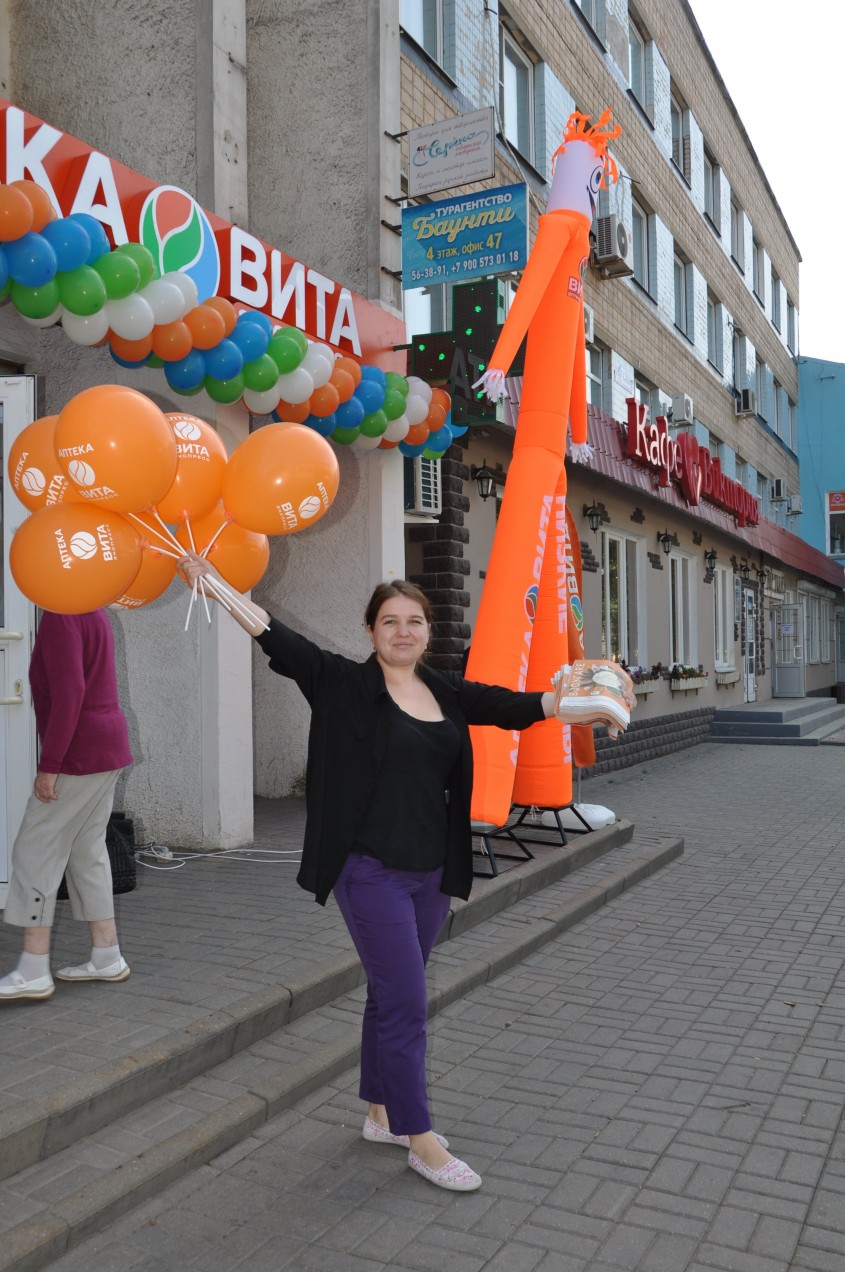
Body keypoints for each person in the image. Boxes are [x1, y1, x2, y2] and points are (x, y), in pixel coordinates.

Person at [178, 553, 573, 1192]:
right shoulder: (341, 684)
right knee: (408, 1001)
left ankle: (380, 1111)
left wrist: (575, 703)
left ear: (427, 630)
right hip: (369, 872)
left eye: (414, 621)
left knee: (391, 993)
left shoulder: (443, 689)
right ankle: (420, 1140)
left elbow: (511, 706)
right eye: (389, 621)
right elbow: (276, 638)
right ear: (371, 632)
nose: (403, 631)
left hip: (430, 872)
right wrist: (216, 583)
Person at [0, 609, 133, 1003]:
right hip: (106, 748)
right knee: (85, 850)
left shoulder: (61, 617)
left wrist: (49, 767)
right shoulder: (92, 611)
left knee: (35, 848)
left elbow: (71, 693)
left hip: (81, 754)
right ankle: (107, 954)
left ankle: (33, 968)